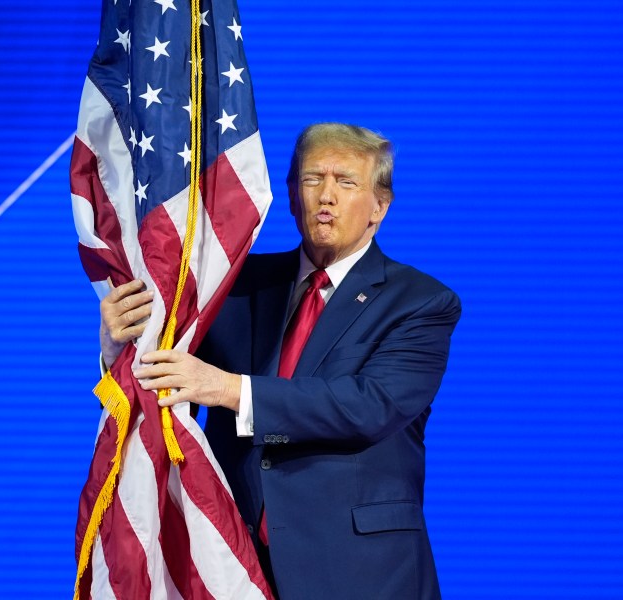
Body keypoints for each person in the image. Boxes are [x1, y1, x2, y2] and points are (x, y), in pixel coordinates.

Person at [99, 123, 461, 599]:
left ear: (379, 206)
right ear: (290, 195)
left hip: (360, 569)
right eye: (312, 180)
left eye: (346, 182)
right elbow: (163, 373)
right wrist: (119, 343)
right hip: (231, 558)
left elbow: (369, 406)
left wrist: (227, 388)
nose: (325, 196)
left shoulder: (421, 301)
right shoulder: (233, 286)